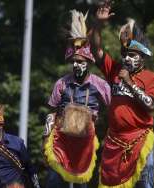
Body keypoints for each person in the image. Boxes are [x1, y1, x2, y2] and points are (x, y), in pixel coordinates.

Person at [91, 1, 154, 187]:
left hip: (139, 140)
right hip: (114, 142)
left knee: (144, 184)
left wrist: (129, 83)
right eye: (125, 54)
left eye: (133, 55)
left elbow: (150, 105)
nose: (127, 59)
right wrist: (98, 24)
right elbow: (95, 50)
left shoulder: (153, 78)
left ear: (143, 58)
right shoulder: (114, 70)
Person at [42, 9, 111, 188]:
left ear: (88, 63)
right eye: (74, 61)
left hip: (86, 140)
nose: (77, 65)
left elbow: (113, 109)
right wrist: (45, 138)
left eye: (81, 62)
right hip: (61, 139)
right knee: (53, 181)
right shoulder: (61, 83)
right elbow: (51, 113)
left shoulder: (100, 85)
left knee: (82, 182)